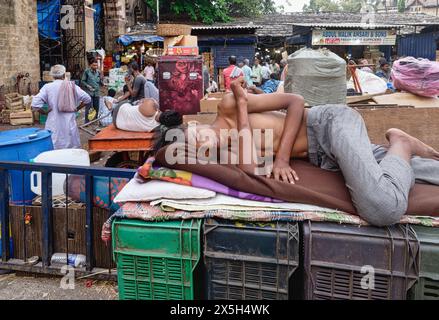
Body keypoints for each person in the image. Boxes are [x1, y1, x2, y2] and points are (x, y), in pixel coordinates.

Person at [154, 76, 439, 227]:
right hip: (324, 157)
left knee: (381, 208)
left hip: (329, 124)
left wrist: (280, 157)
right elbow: (251, 171)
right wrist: (244, 109)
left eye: (193, 136)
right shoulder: (228, 148)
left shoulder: (227, 103)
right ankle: (405, 152)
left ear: (191, 123)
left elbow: (295, 101)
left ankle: (401, 141)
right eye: (193, 148)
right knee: (421, 174)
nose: (200, 143)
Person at [32, 65, 91, 149]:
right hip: (69, 123)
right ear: (64, 75)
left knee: (54, 147)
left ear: (52, 76)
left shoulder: (47, 87)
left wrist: (44, 112)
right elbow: (87, 99)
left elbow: (35, 104)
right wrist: (77, 108)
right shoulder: (72, 86)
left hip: (53, 123)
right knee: (71, 149)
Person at [81, 57, 103, 123]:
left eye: (96, 65)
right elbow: (82, 81)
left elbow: (100, 83)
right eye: (94, 65)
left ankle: (94, 120)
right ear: (90, 65)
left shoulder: (98, 72)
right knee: (89, 107)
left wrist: (102, 79)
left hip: (97, 92)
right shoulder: (87, 71)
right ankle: (87, 122)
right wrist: (88, 86)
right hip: (89, 92)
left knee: (96, 107)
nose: (95, 66)